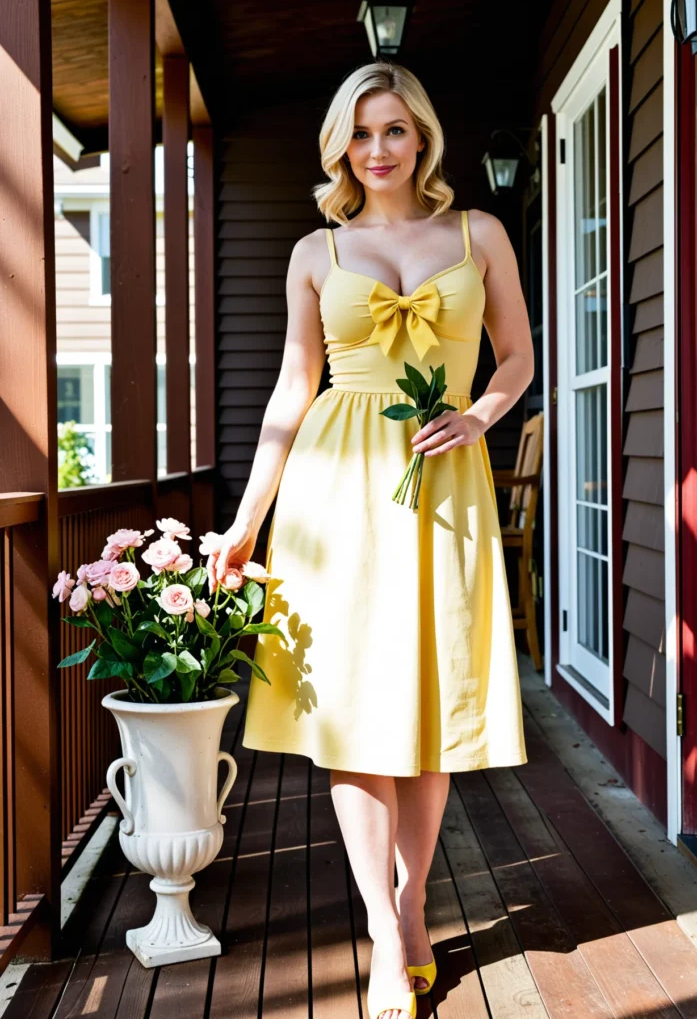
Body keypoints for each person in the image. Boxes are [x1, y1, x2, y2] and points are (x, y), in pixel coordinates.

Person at [212, 60, 534, 1019]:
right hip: (335, 488)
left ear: (422, 137)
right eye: (361, 134)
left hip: (443, 482)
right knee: (352, 711)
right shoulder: (316, 251)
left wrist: (480, 414)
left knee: (427, 704)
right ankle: (383, 933)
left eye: (393, 129)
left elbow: (516, 355)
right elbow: (290, 388)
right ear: (340, 146)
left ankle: (408, 898)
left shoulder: (480, 234)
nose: (378, 149)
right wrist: (248, 520)